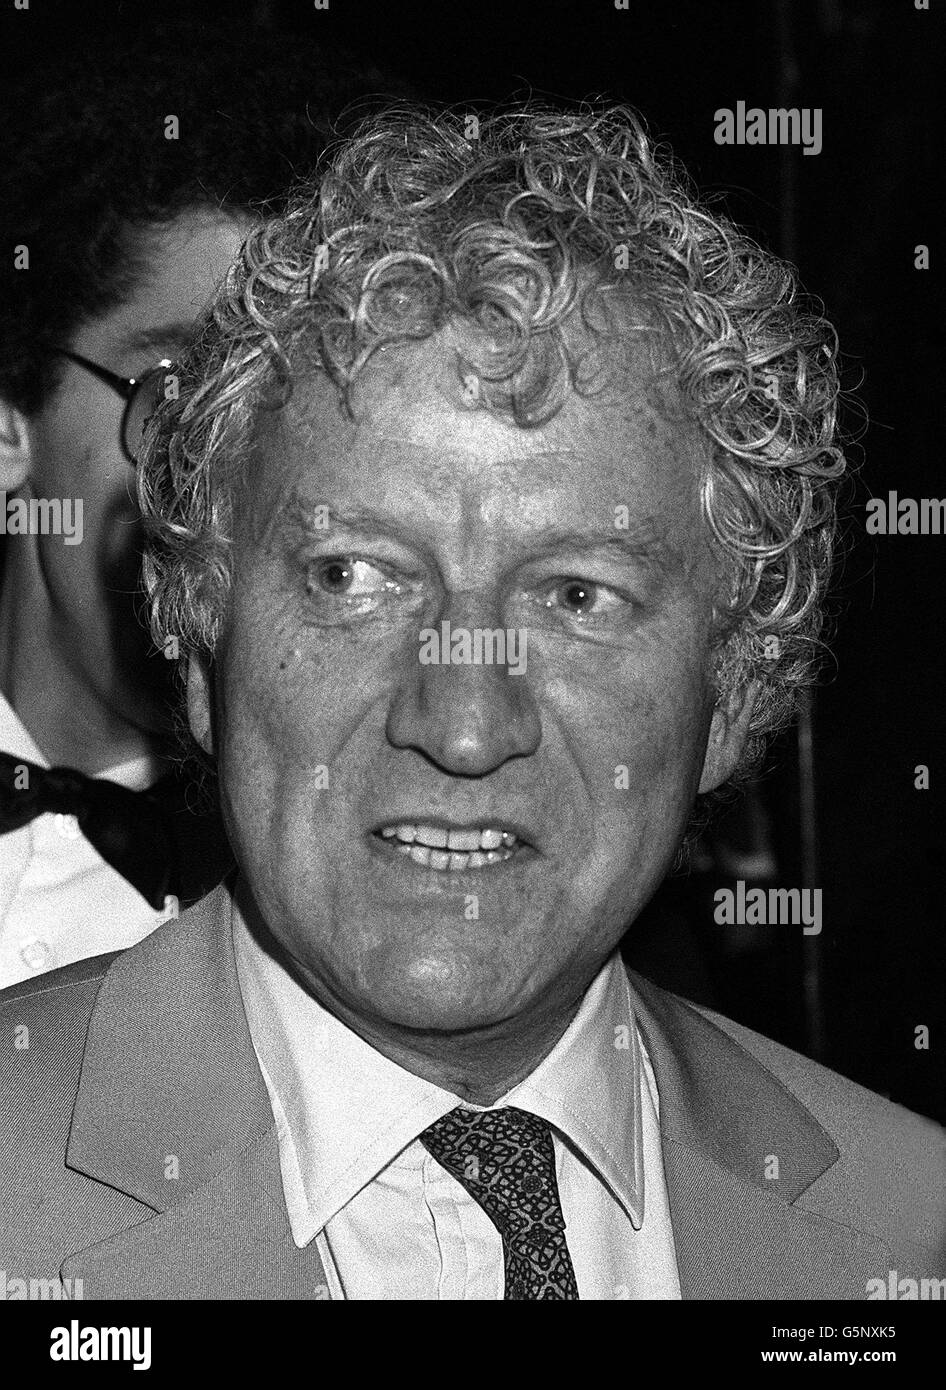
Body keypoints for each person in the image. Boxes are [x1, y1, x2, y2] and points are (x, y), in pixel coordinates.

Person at [1, 102, 942, 1300]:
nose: (459, 727)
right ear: (195, 639)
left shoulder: (908, 1236)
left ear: (740, 688)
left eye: (576, 596)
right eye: (352, 577)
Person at [0, 21, 393, 988]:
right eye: (181, 394)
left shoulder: (372, 910)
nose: (230, 482)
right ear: (11, 428)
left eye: (292, 413)